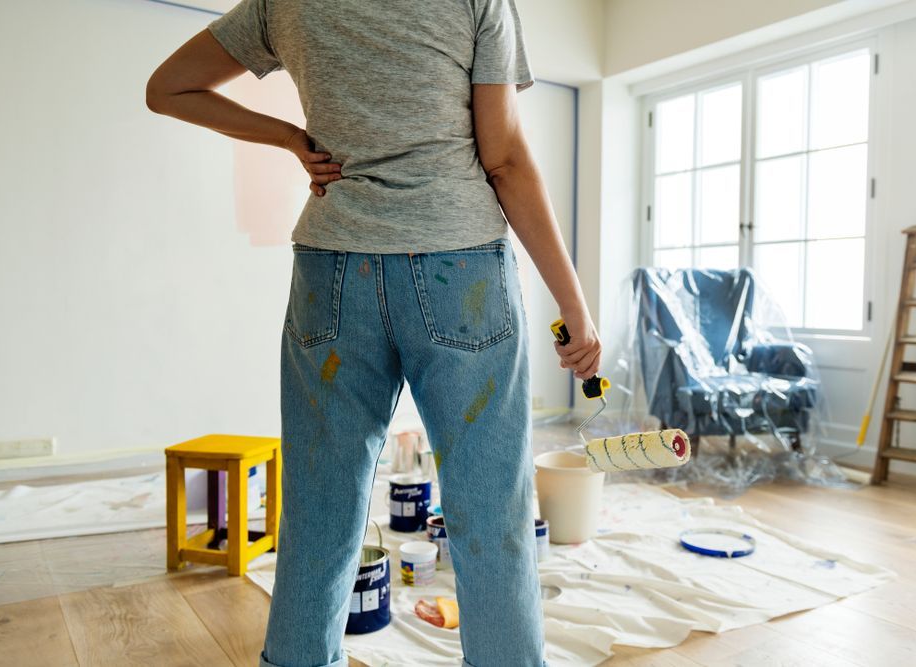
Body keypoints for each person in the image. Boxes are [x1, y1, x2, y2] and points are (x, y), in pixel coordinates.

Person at [146, 1, 601, 665]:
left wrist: (289, 137)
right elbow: (503, 159)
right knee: (490, 511)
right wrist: (574, 302)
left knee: (319, 511)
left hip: (332, 272)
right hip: (460, 270)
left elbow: (167, 88)